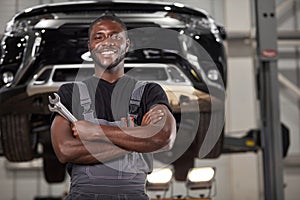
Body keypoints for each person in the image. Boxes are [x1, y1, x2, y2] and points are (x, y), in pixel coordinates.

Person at [50, 13, 176, 200]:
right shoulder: (70, 93)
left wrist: (96, 132)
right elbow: (65, 150)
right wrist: (135, 138)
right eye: (98, 37)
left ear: (127, 44)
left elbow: (164, 137)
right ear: (90, 47)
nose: (107, 42)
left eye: (115, 36)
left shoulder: (149, 92)